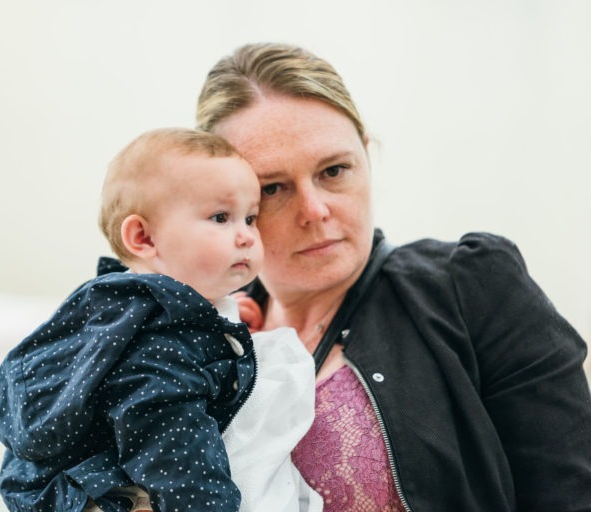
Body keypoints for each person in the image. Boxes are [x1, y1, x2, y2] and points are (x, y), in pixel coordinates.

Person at [195, 42, 591, 511]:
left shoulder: (467, 285)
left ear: (365, 156)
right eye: (273, 188)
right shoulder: (201, 334)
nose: (315, 210)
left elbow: (569, 494)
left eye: (334, 170)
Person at [0, 127, 323, 512]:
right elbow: (176, 455)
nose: (245, 236)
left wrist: (225, 316)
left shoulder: (117, 306)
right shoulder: (160, 345)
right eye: (221, 217)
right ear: (143, 238)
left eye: (251, 218)